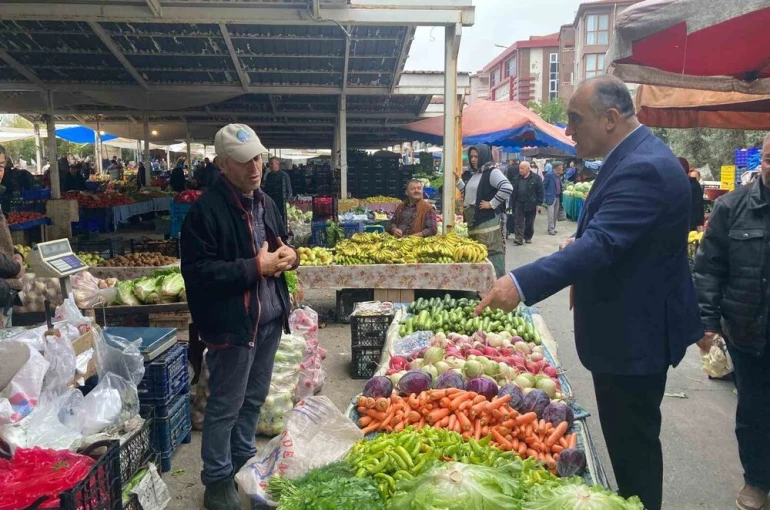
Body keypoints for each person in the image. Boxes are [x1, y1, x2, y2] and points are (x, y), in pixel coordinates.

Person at [475, 76, 702, 510]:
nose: (569, 131)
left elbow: (604, 244)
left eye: (575, 120)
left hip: (634, 337)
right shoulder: (634, 157)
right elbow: (617, 235)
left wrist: (520, 283)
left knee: (633, 453)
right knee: (630, 447)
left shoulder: (644, 166)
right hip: (629, 330)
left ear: (611, 118)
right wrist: (577, 243)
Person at [181, 124, 298, 510]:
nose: (255, 167)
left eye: (258, 158)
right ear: (222, 164)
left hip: (269, 320)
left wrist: (291, 256)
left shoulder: (266, 202)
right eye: (244, 160)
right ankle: (216, 481)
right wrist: (255, 267)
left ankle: (242, 461)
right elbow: (198, 274)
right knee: (225, 405)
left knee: (254, 399)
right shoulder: (204, 213)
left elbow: (281, 244)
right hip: (233, 325)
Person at [693, 133, 770, 510]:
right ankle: (757, 480)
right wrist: (707, 323)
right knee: (754, 411)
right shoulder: (730, 207)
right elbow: (708, 269)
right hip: (748, 331)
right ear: (761, 161)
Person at [456, 145, 512, 278]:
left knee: (491, 253)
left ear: (484, 156)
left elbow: (507, 187)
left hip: (487, 223)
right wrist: (458, 181)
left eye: (476, 156)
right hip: (474, 222)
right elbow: (470, 195)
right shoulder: (476, 174)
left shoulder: (492, 172)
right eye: (471, 156)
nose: (473, 159)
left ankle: (497, 282)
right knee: (477, 254)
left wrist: (491, 203)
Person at [509, 161, 544, 245]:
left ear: (528, 169)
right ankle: (518, 238)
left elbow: (540, 191)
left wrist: (539, 204)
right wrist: (511, 204)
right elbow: (513, 191)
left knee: (529, 222)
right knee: (518, 221)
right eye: (520, 168)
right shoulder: (516, 178)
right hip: (519, 203)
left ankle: (528, 237)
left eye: (522, 168)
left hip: (531, 203)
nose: (520, 170)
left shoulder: (536, 178)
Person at [261, 157, 293, 226]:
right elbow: (266, 189)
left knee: (281, 221)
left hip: (281, 204)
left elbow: (289, 190)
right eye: (269, 164)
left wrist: (287, 203)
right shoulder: (269, 176)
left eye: (272, 164)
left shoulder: (284, 175)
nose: (270, 166)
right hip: (271, 202)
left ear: (277, 164)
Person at [679, 158, 705, 232]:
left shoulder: (690, 185)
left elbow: (698, 204)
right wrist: (700, 223)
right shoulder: (694, 184)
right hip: (691, 223)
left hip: (686, 223)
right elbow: (699, 204)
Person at [543, 161, 564, 236]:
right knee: (551, 215)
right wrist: (544, 197)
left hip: (558, 197)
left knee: (555, 214)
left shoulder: (558, 175)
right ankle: (550, 229)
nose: (562, 168)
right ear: (557, 167)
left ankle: (553, 228)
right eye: (561, 166)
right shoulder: (549, 175)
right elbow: (543, 186)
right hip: (551, 197)